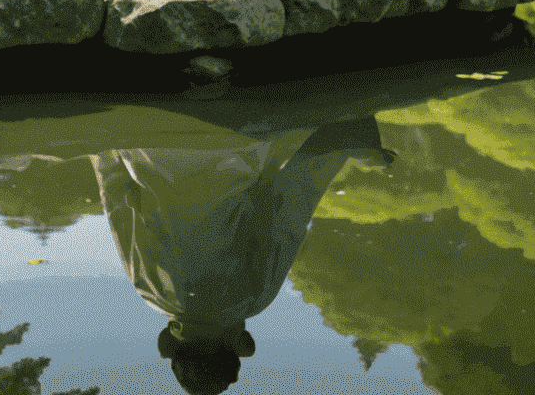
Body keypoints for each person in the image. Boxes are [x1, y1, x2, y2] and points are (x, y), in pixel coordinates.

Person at [92, 118, 391, 395]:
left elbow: (292, 205)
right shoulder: (151, 294)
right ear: (176, 350)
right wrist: (103, 151)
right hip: (147, 148)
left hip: (236, 147)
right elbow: (118, 201)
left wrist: (352, 144)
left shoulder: (251, 299)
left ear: (234, 347)